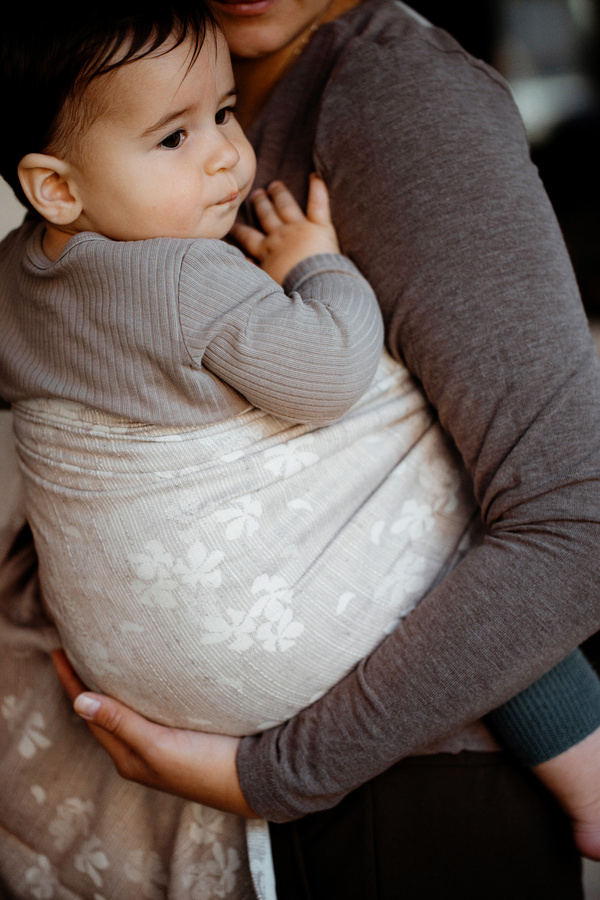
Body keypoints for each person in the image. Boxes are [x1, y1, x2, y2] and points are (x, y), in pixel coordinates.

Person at [1, 1, 600, 899]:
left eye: (227, 115)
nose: (224, 159)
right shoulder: (170, 230)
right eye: (176, 137)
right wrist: (318, 268)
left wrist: (274, 770)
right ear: (55, 187)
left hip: (395, 788)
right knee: (429, 537)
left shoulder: (402, 97)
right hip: (292, 756)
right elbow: (319, 372)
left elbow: (570, 522)